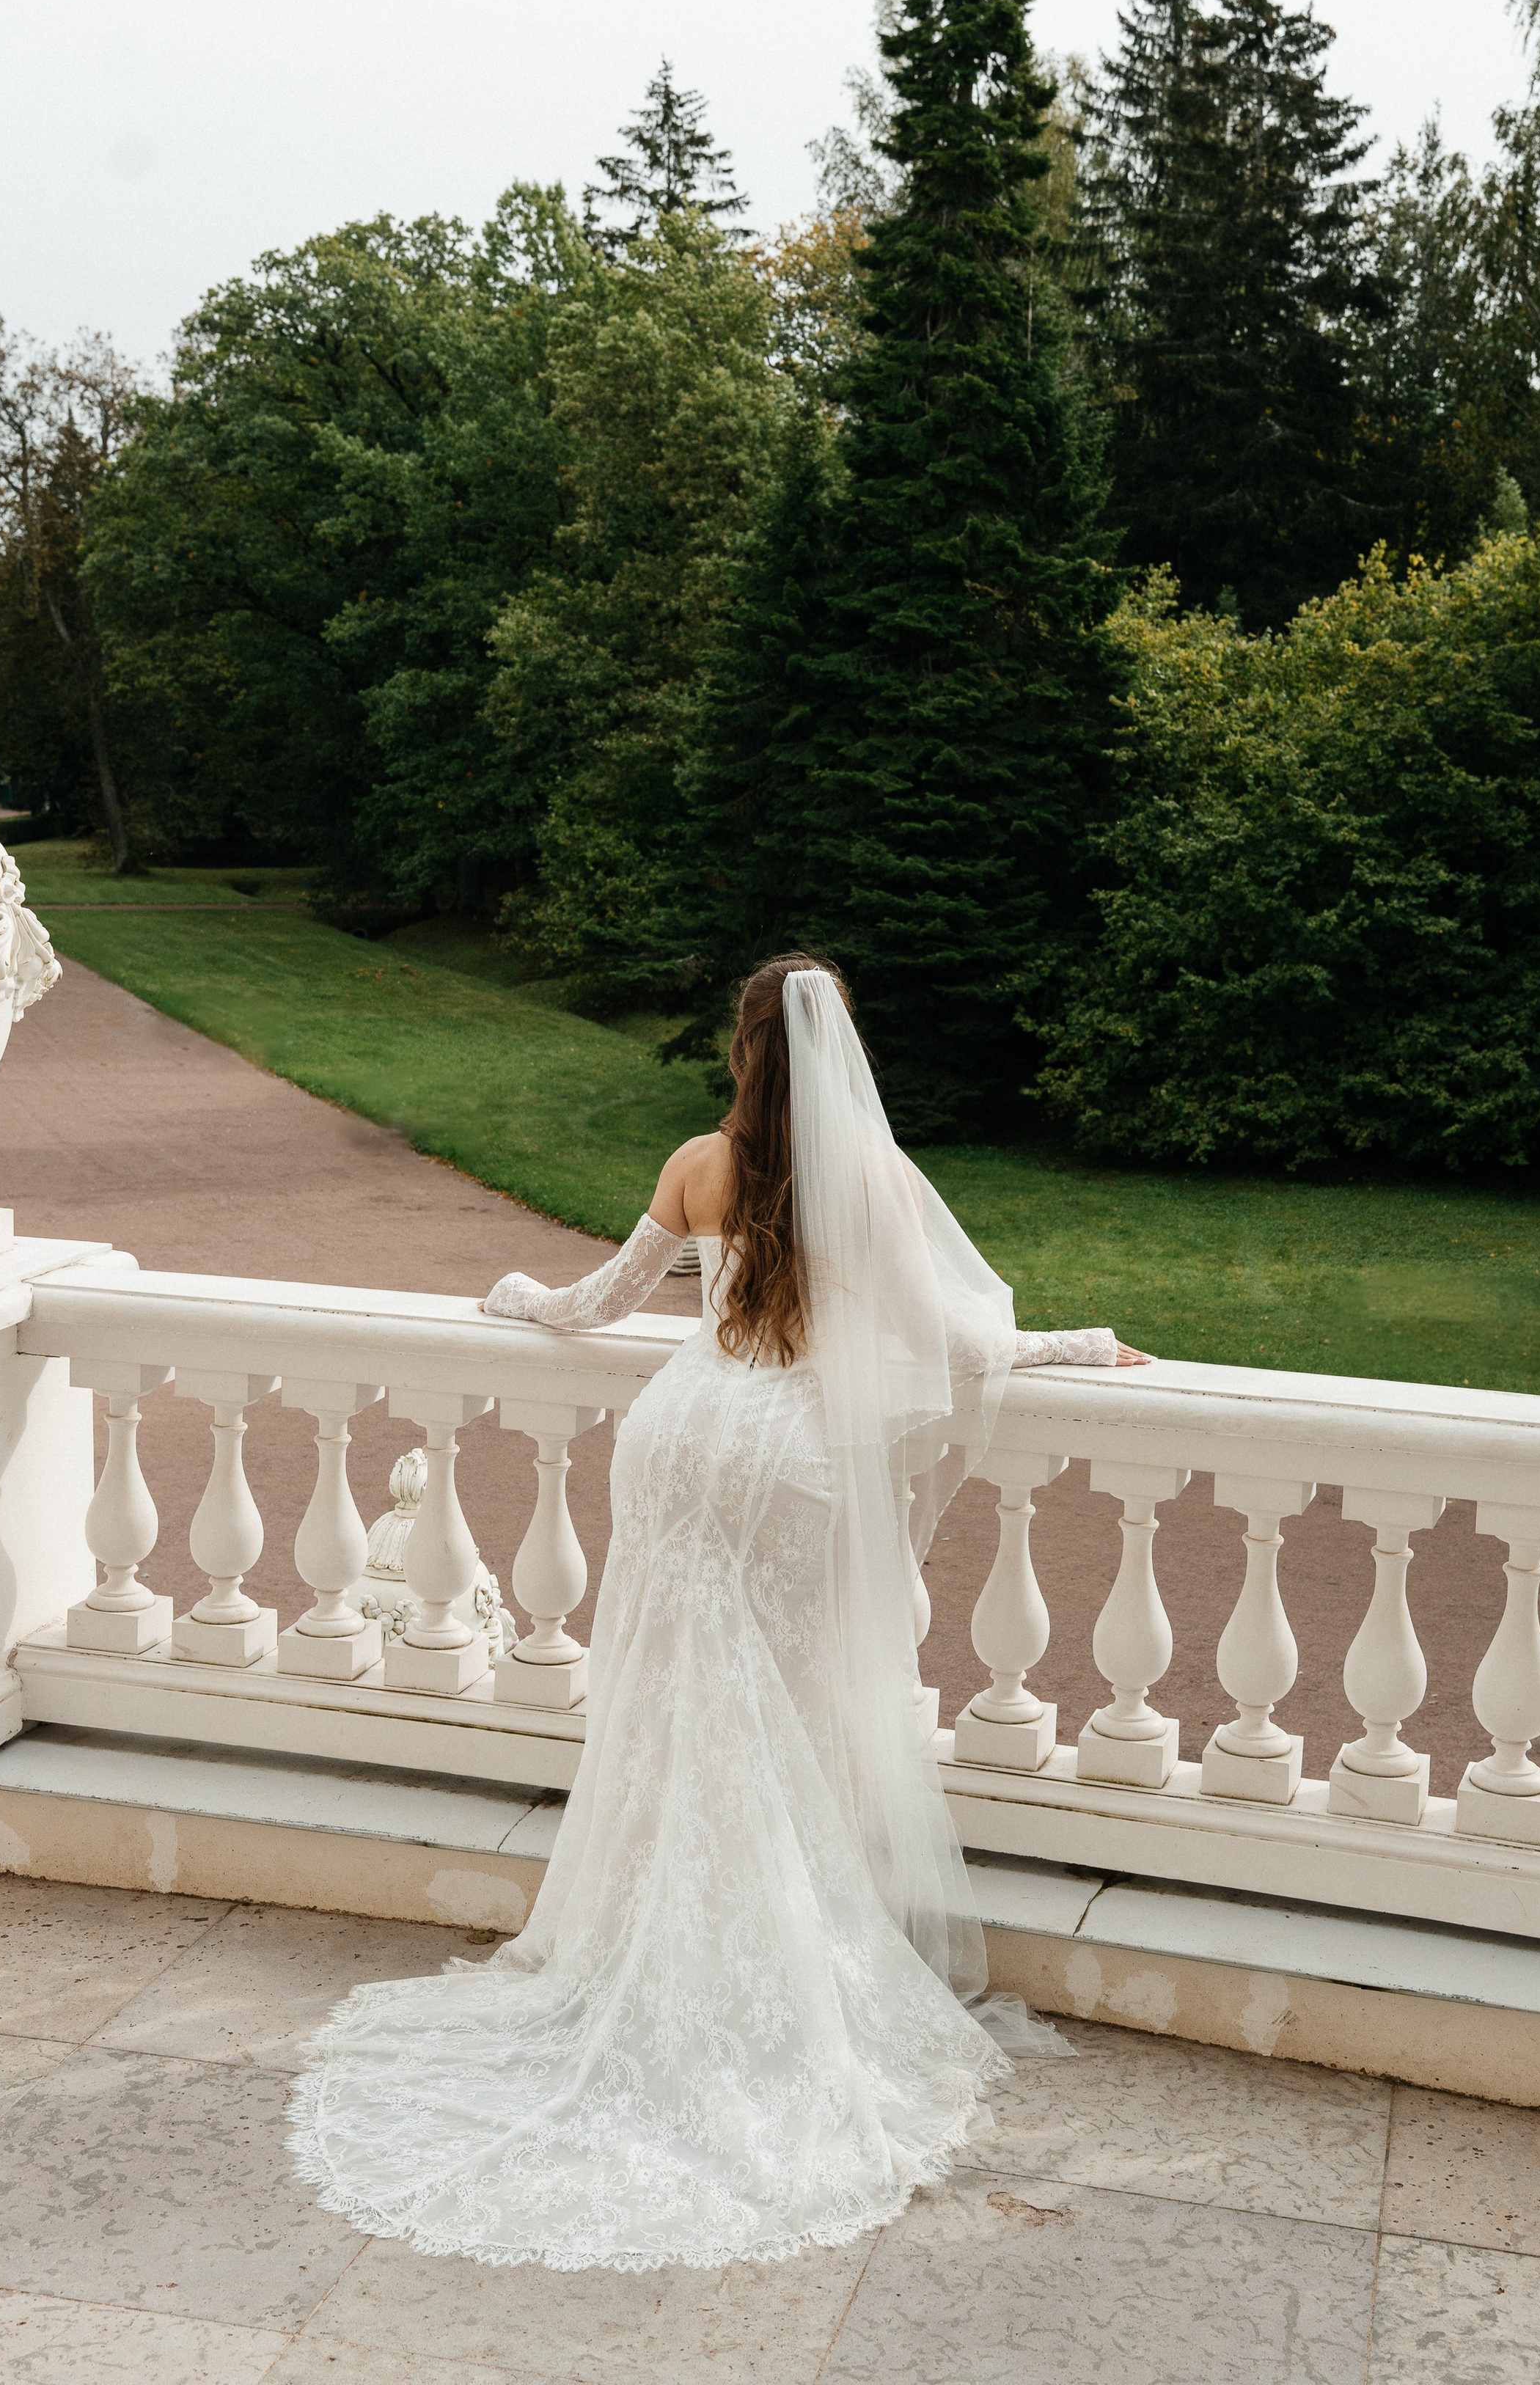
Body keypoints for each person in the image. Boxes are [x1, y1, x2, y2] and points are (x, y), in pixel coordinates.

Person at [290, 954, 1152, 2272]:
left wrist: (516, 1299)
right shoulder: (871, 1184)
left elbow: (595, 1307)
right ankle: (771, 1964)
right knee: (784, 1710)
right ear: (839, 1056)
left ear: (744, 1052)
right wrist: (1081, 1346)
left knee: (668, 1696)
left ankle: (638, 1935)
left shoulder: (700, 1162)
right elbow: (962, 1347)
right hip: (783, 1467)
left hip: (680, 1440)